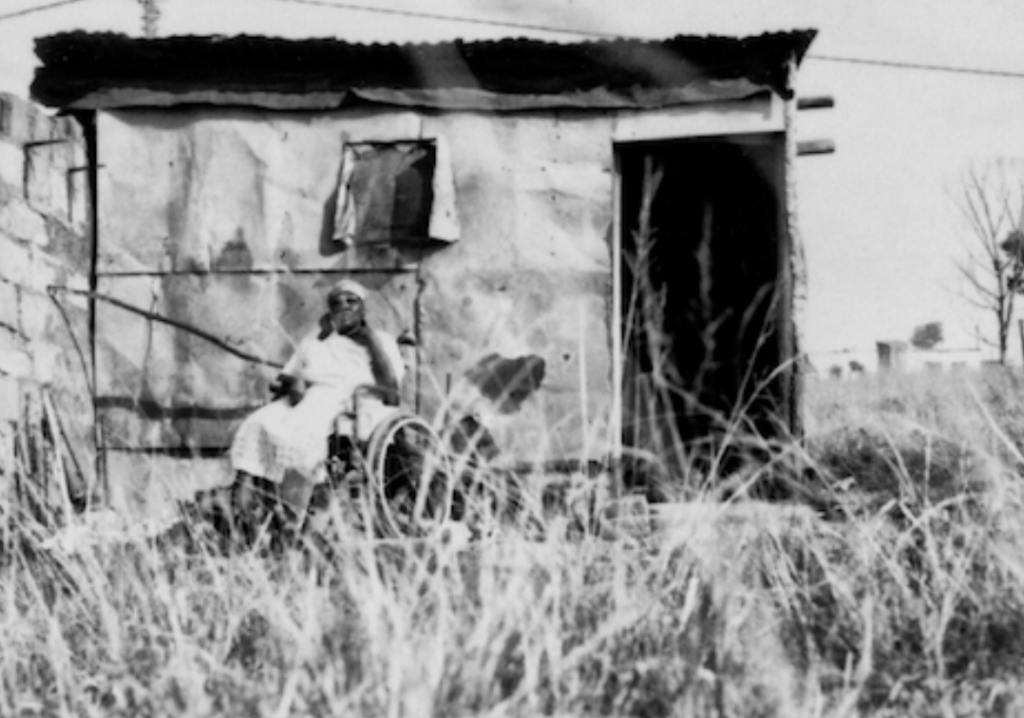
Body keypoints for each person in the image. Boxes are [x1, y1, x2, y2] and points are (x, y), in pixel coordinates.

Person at [229, 278, 405, 497]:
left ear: (363, 308)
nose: (344, 307)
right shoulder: (315, 339)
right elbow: (289, 373)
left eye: (351, 301)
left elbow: (392, 392)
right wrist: (293, 382)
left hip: (348, 402)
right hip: (305, 398)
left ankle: (295, 502)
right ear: (331, 310)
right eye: (337, 303)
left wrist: (370, 340)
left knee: (304, 437)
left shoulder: (381, 339)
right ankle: (242, 501)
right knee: (257, 422)